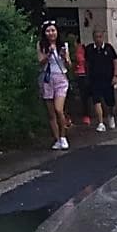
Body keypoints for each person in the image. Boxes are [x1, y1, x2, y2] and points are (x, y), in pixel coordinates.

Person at [38, 21, 72, 149]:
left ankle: (63, 137)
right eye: (48, 31)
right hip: (47, 79)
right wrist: (48, 54)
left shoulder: (63, 46)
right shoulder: (41, 45)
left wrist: (64, 57)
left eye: (53, 30)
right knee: (51, 113)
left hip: (60, 79)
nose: (51, 33)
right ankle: (57, 139)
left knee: (59, 109)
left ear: (57, 32)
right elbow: (40, 63)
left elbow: (69, 66)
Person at [85, 29, 117, 131]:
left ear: (103, 37)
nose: (98, 39)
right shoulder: (90, 49)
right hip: (95, 79)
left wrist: (115, 76)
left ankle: (111, 116)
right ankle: (100, 123)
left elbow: (115, 62)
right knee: (96, 101)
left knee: (110, 102)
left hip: (108, 79)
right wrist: (87, 76)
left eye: (100, 37)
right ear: (93, 38)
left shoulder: (109, 48)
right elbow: (87, 63)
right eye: (96, 37)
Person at [73, 39, 91, 126]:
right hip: (77, 75)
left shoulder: (82, 50)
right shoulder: (74, 51)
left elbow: (85, 61)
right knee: (81, 96)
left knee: (84, 96)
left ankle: (86, 115)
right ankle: (84, 115)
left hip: (83, 75)